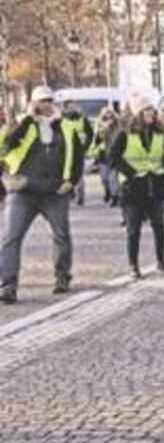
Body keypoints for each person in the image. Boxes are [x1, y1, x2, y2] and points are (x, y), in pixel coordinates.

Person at [0, 86, 84, 303]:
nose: (45, 105)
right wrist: (28, 119)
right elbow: (7, 145)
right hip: (23, 191)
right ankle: (8, 285)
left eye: (48, 100)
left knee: (61, 235)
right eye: (41, 101)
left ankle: (62, 277)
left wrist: (71, 181)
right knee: (10, 237)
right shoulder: (20, 123)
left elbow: (78, 157)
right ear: (33, 103)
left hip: (54, 192)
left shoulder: (66, 127)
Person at [109, 95, 164, 279]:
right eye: (146, 110)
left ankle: (161, 261)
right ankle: (133, 265)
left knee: (159, 226)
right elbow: (113, 157)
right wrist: (130, 172)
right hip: (133, 188)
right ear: (137, 113)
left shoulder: (160, 133)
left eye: (152, 109)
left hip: (156, 185)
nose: (151, 113)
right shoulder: (124, 134)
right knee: (133, 229)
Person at [61, 101, 93, 206]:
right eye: (69, 107)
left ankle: (80, 195)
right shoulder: (61, 120)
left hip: (80, 150)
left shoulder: (82, 119)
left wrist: (86, 146)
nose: (72, 109)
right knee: (66, 173)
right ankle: (70, 192)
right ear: (65, 109)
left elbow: (90, 134)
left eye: (73, 107)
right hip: (66, 149)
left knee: (79, 173)